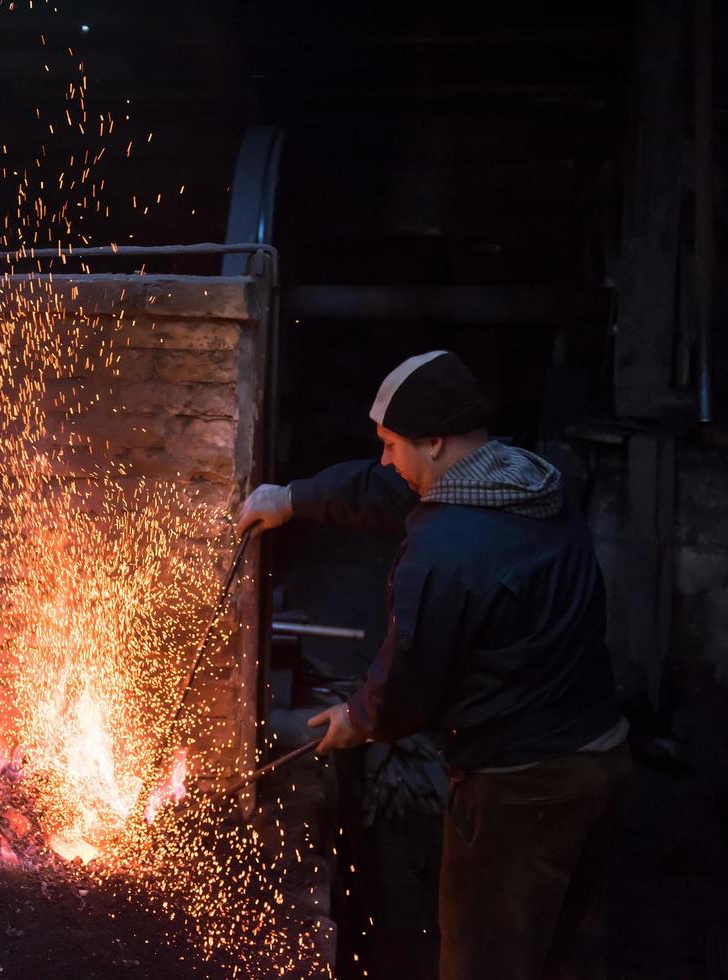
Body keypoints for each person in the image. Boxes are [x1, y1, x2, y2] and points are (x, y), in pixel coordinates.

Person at [237, 350, 632, 980]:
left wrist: (357, 718)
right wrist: (292, 499)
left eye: (392, 445)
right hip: (603, 755)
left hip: (521, 790)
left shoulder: (444, 553)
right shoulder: (521, 481)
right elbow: (383, 486)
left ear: (437, 441)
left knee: (486, 961)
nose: (386, 459)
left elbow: (409, 684)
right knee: (550, 947)